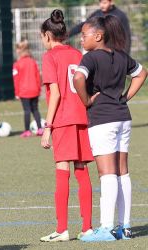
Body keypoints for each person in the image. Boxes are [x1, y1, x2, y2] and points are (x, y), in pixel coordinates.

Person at [73, 15, 147, 242]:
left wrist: (86, 100)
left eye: (84, 36)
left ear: (98, 36)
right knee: (122, 172)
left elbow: (78, 78)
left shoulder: (90, 58)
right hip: (122, 117)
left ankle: (105, 229)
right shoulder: (121, 55)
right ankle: (124, 228)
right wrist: (125, 97)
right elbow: (142, 73)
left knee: (107, 174)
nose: (81, 40)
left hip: (103, 119)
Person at [39, 9, 94, 242]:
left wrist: (48, 126)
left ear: (47, 36)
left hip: (63, 119)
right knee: (82, 171)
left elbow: (56, 94)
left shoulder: (50, 57)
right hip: (82, 117)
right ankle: (88, 227)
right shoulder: (77, 54)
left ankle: (62, 229)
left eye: (41, 36)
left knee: (63, 171)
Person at [12, 40, 43, 138]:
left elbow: (16, 80)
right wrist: (38, 88)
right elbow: (38, 76)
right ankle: (40, 129)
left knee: (27, 111)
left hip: (24, 92)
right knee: (35, 110)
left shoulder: (17, 64)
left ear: (19, 51)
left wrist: (17, 93)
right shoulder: (33, 62)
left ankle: (27, 131)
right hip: (34, 90)